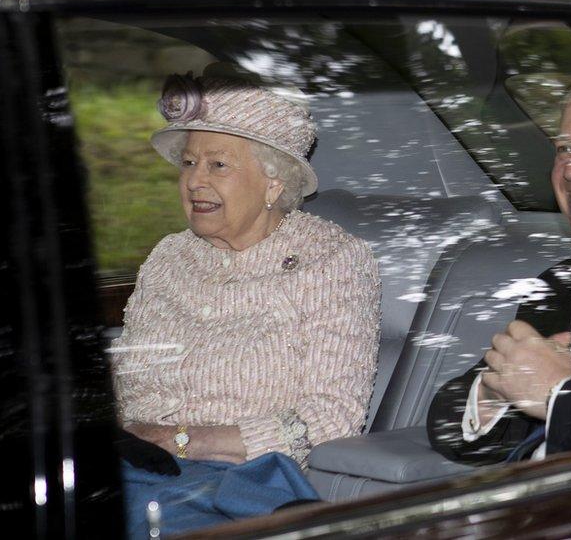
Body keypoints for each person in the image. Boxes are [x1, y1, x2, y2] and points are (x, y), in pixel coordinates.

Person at [109, 64, 380, 535]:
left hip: (237, 490)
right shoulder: (168, 256)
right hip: (131, 465)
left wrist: (181, 441)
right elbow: (126, 375)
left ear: (274, 182)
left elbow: (332, 418)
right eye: (190, 163)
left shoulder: (332, 260)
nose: (194, 181)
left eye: (218, 164)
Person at [427, 78, 571, 464]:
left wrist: (560, 393)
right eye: (565, 149)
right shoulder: (559, 283)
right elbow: (446, 421)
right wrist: (493, 393)